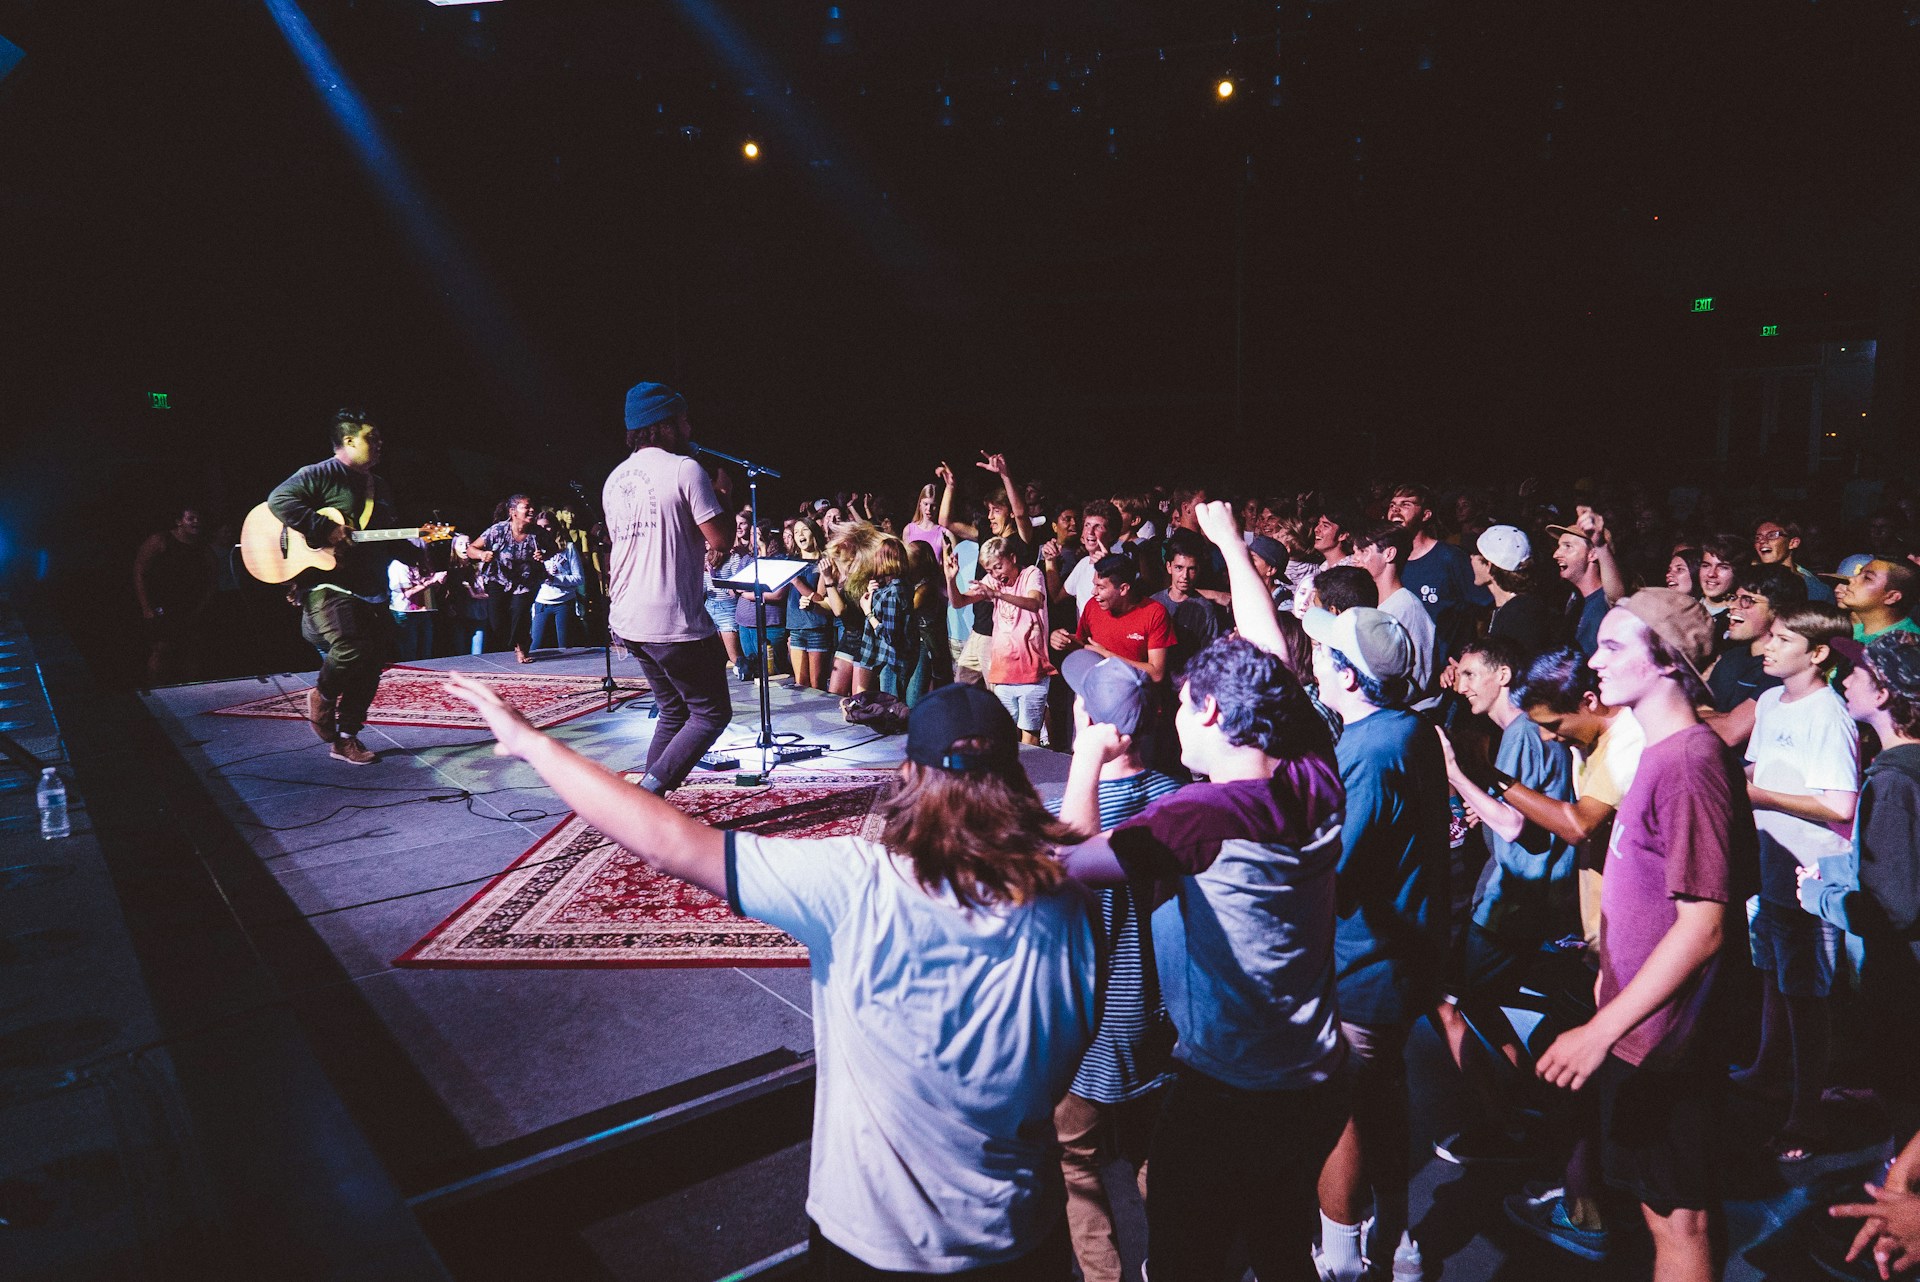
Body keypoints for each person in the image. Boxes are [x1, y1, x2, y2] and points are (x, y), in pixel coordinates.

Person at [446, 675, 1097, 1278]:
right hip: (1021, 1238)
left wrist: (531, 741)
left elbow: (667, 841)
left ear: (908, 776)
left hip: (878, 1243)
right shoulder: (1073, 908)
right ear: (1017, 775)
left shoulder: (857, 886)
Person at [1056, 636, 1348, 1282]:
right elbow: (1279, 672)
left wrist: (1086, 756)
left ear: (1213, 710)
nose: (1175, 717)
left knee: (1187, 1258)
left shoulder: (1201, 817)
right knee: (1280, 1246)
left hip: (1228, 1089)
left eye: (1185, 704)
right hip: (1311, 1072)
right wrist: (1228, 540)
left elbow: (1072, 861)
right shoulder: (1315, 779)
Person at [1535, 588, 1757, 1282]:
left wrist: (1601, 1032)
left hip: (1664, 1042)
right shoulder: (1660, 753)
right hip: (1639, 1030)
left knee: (1678, 1220)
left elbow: (1704, 928)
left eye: (1613, 646)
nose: (1593, 661)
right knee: (1659, 1210)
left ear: (1667, 664)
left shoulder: (1689, 763)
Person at [1302, 603, 1451, 1282]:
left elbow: (1335, 867)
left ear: (1349, 677)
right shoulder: (1410, 729)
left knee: (1343, 1110)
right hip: (1403, 956)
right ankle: (1398, 1239)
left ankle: (1340, 1257)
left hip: (1362, 961)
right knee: (1386, 1098)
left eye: (1326, 652)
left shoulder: (1367, 750)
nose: (1315, 659)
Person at [1496, 646, 1646, 1262]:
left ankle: (1589, 1212)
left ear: (1589, 701)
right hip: (1600, 936)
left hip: (1625, 943)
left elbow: (1580, 823)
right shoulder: (1594, 743)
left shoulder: (1626, 745)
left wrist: (1495, 782)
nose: (1552, 741)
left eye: (1555, 727)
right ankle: (1588, 1195)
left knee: (1592, 1079)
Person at [1047, 651, 1183, 1282]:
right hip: (1162, 1018)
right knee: (1154, 1150)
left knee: (1077, 1166)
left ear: (1087, 718)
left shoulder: (1070, 815)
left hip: (1090, 1031)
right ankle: (1173, 1261)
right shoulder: (1183, 800)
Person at [1431, 635, 1578, 1164]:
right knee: (1473, 998)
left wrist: (1455, 776)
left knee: (1452, 1003)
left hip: (1513, 898)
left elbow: (1514, 823)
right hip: (1539, 894)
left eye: (1471, 674)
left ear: (1503, 677)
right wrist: (1484, 807)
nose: (1461, 685)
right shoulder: (1533, 733)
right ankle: (1526, 1098)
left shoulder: (1518, 734)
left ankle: (1501, 1123)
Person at [1736, 602, 1858, 1161]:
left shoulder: (1829, 715)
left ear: (1817, 653)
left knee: (1806, 997)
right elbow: (1755, 770)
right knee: (1771, 975)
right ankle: (1765, 1068)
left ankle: (1806, 1115)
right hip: (1770, 866)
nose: (1767, 646)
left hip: (1810, 876)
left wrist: (1758, 796)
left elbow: (1839, 804)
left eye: (1782, 639)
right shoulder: (1767, 702)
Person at [1803, 633, 1920, 1147]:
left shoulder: (1892, 782)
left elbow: (1891, 910)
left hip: (1905, 984)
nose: (1844, 679)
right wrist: (1840, 869)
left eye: (1860, 673)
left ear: (1886, 694)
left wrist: (1819, 898)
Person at [601, 382, 733, 796]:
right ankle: (648, 795)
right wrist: (724, 495)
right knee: (711, 714)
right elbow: (722, 539)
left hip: (627, 616)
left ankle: (646, 799)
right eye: (684, 419)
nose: (690, 427)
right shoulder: (684, 470)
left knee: (674, 710)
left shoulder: (614, 479)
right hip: (670, 618)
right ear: (665, 425)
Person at [266, 409, 398, 766]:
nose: (380, 443)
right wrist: (323, 528)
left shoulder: (379, 486)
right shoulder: (320, 474)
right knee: (351, 648)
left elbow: (381, 537)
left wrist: (421, 549)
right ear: (349, 440)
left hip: (369, 584)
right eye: (373, 437)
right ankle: (322, 697)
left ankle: (346, 738)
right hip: (326, 581)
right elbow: (279, 501)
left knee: (371, 662)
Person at [946, 535, 1051, 744]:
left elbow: (1034, 602)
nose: (995, 574)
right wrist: (950, 579)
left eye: (998, 567)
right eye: (989, 571)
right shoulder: (992, 581)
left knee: (1029, 735)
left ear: (1012, 558)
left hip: (1032, 669)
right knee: (1003, 734)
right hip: (1004, 671)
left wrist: (996, 594)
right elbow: (959, 602)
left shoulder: (1031, 573)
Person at [1701, 564, 1806, 749]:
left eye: (1747, 600)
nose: (1732, 606)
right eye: (1734, 598)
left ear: (1779, 611)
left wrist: (1722, 719)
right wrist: (1722, 718)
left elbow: (1730, 732)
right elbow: (1700, 708)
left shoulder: (1781, 669)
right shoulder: (1731, 658)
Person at [1051, 554, 1175, 686]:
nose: (1094, 592)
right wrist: (1064, 639)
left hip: (1134, 698)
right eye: (1094, 585)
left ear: (1123, 589)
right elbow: (1083, 643)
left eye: (1101, 587)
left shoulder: (1155, 613)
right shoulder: (1093, 605)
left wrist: (1108, 657)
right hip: (1096, 690)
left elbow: (1156, 674)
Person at [1353, 521, 1438, 697]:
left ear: (1389, 554)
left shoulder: (1407, 608)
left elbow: (1420, 677)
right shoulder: (1369, 602)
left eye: (1363, 551)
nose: (1356, 559)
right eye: (1355, 552)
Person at [134, 505, 218, 684]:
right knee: (161, 648)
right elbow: (139, 571)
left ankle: (191, 690)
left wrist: (201, 607)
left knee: (192, 649)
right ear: (179, 522)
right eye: (191, 518)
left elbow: (212, 580)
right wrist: (146, 607)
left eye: (198, 518)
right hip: (162, 604)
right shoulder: (161, 540)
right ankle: (158, 692)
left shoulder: (203, 548)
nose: (196, 522)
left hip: (190, 608)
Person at [466, 494, 551, 663]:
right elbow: (471, 549)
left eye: (532, 506)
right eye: (526, 507)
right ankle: (514, 641)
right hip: (499, 579)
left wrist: (544, 555)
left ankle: (521, 647)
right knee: (497, 621)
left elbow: (554, 550)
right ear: (513, 511)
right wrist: (482, 554)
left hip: (526, 581)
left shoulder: (537, 533)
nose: (531, 510)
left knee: (520, 612)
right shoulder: (498, 530)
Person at [1473, 524, 1564, 661]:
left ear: (1489, 566)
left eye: (1477, 554)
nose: (1471, 557)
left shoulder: (1521, 614)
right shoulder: (1507, 609)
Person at [1152, 542, 1230, 680]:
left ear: (1198, 570)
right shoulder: (1154, 603)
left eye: (1191, 569)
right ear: (1169, 567)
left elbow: (1208, 655)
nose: (1184, 576)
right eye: (1179, 568)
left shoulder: (1205, 610)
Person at [785, 518, 836, 692]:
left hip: (816, 628)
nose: (800, 534)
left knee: (817, 686)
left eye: (804, 530)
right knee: (801, 683)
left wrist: (796, 582)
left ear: (814, 533)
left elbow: (820, 597)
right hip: (796, 626)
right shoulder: (790, 562)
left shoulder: (823, 562)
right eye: (796, 532)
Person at [1550, 524, 1610, 659]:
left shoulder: (1605, 604)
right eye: (1559, 547)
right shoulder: (1574, 600)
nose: (1556, 554)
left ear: (1593, 554)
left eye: (1568, 546)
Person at [1753, 515, 1835, 604]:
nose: (1762, 541)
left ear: (1793, 543)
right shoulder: (1749, 582)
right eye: (1758, 538)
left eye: (1772, 535)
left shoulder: (1816, 590)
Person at [1838, 557, 1920, 644]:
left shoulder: (1905, 646)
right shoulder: (1852, 628)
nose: (1851, 579)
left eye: (1867, 578)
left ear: (1892, 597)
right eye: (1859, 574)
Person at [531, 523, 586, 652]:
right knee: (535, 646)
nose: (544, 529)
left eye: (547, 526)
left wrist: (555, 579)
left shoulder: (568, 548)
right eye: (540, 527)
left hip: (564, 602)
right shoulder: (533, 549)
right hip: (542, 603)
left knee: (565, 646)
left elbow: (579, 578)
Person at [387, 541, 445, 662]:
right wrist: (431, 582)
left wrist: (439, 582)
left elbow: (431, 589)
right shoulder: (398, 565)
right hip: (406, 612)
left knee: (426, 650)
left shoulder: (422, 564)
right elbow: (407, 593)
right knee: (409, 651)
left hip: (425, 609)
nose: (425, 553)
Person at [1695, 533, 1746, 617]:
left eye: (1723, 567)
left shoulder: (1740, 616)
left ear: (1738, 572)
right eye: (1706, 566)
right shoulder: (1686, 607)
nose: (1711, 574)